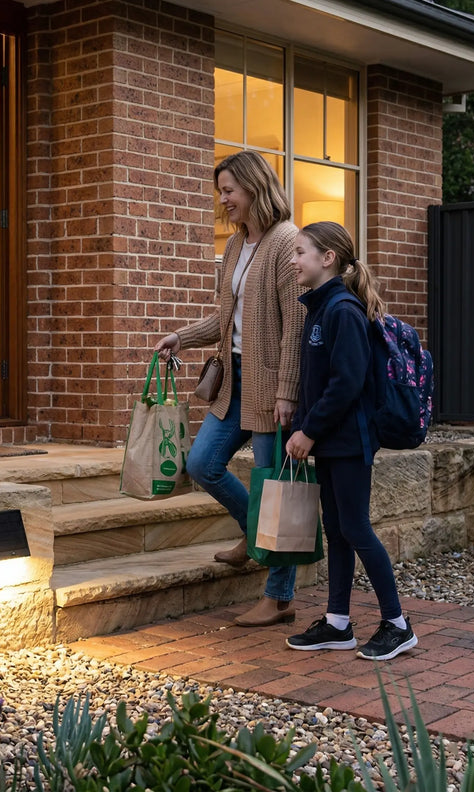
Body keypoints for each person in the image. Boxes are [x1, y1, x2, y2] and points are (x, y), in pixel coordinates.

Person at [155, 150, 304, 628]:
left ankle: (278, 597)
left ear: (254, 187)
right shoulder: (238, 244)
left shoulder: (285, 242)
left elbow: (296, 326)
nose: (223, 200)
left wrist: (287, 392)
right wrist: (184, 336)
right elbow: (226, 316)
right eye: (221, 192)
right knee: (202, 464)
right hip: (234, 378)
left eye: (229, 191)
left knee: (273, 489)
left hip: (270, 386)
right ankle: (250, 529)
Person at [285, 221, 418, 660]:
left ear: (328, 259)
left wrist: (309, 429)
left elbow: (346, 384)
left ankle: (398, 625)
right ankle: (338, 623)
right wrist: (302, 428)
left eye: (301, 252)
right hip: (330, 442)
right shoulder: (320, 309)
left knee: (356, 528)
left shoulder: (342, 310)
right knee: (337, 532)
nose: (294, 259)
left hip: (349, 441)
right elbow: (317, 382)